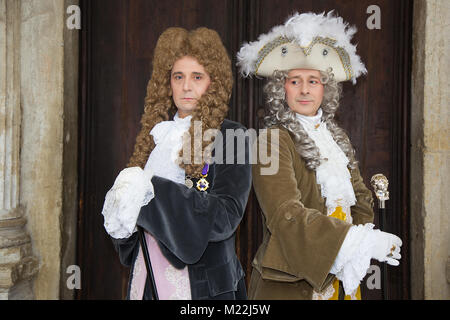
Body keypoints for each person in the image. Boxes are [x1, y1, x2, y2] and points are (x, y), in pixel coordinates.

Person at [237, 11, 402, 300]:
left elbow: (360, 197)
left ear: (325, 88)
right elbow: (284, 214)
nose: (304, 90)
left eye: (313, 81)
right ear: (281, 88)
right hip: (294, 283)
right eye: (294, 81)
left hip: (342, 276)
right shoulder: (271, 141)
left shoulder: (335, 138)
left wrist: (366, 237)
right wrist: (357, 242)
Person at [101, 27, 251, 300]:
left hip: (202, 285)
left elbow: (227, 215)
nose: (185, 86)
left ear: (213, 82)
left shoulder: (231, 135)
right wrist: (122, 210)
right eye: (177, 76)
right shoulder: (156, 136)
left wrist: (151, 193)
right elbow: (134, 220)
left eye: (197, 77)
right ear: (166, 82)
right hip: (147, 276)